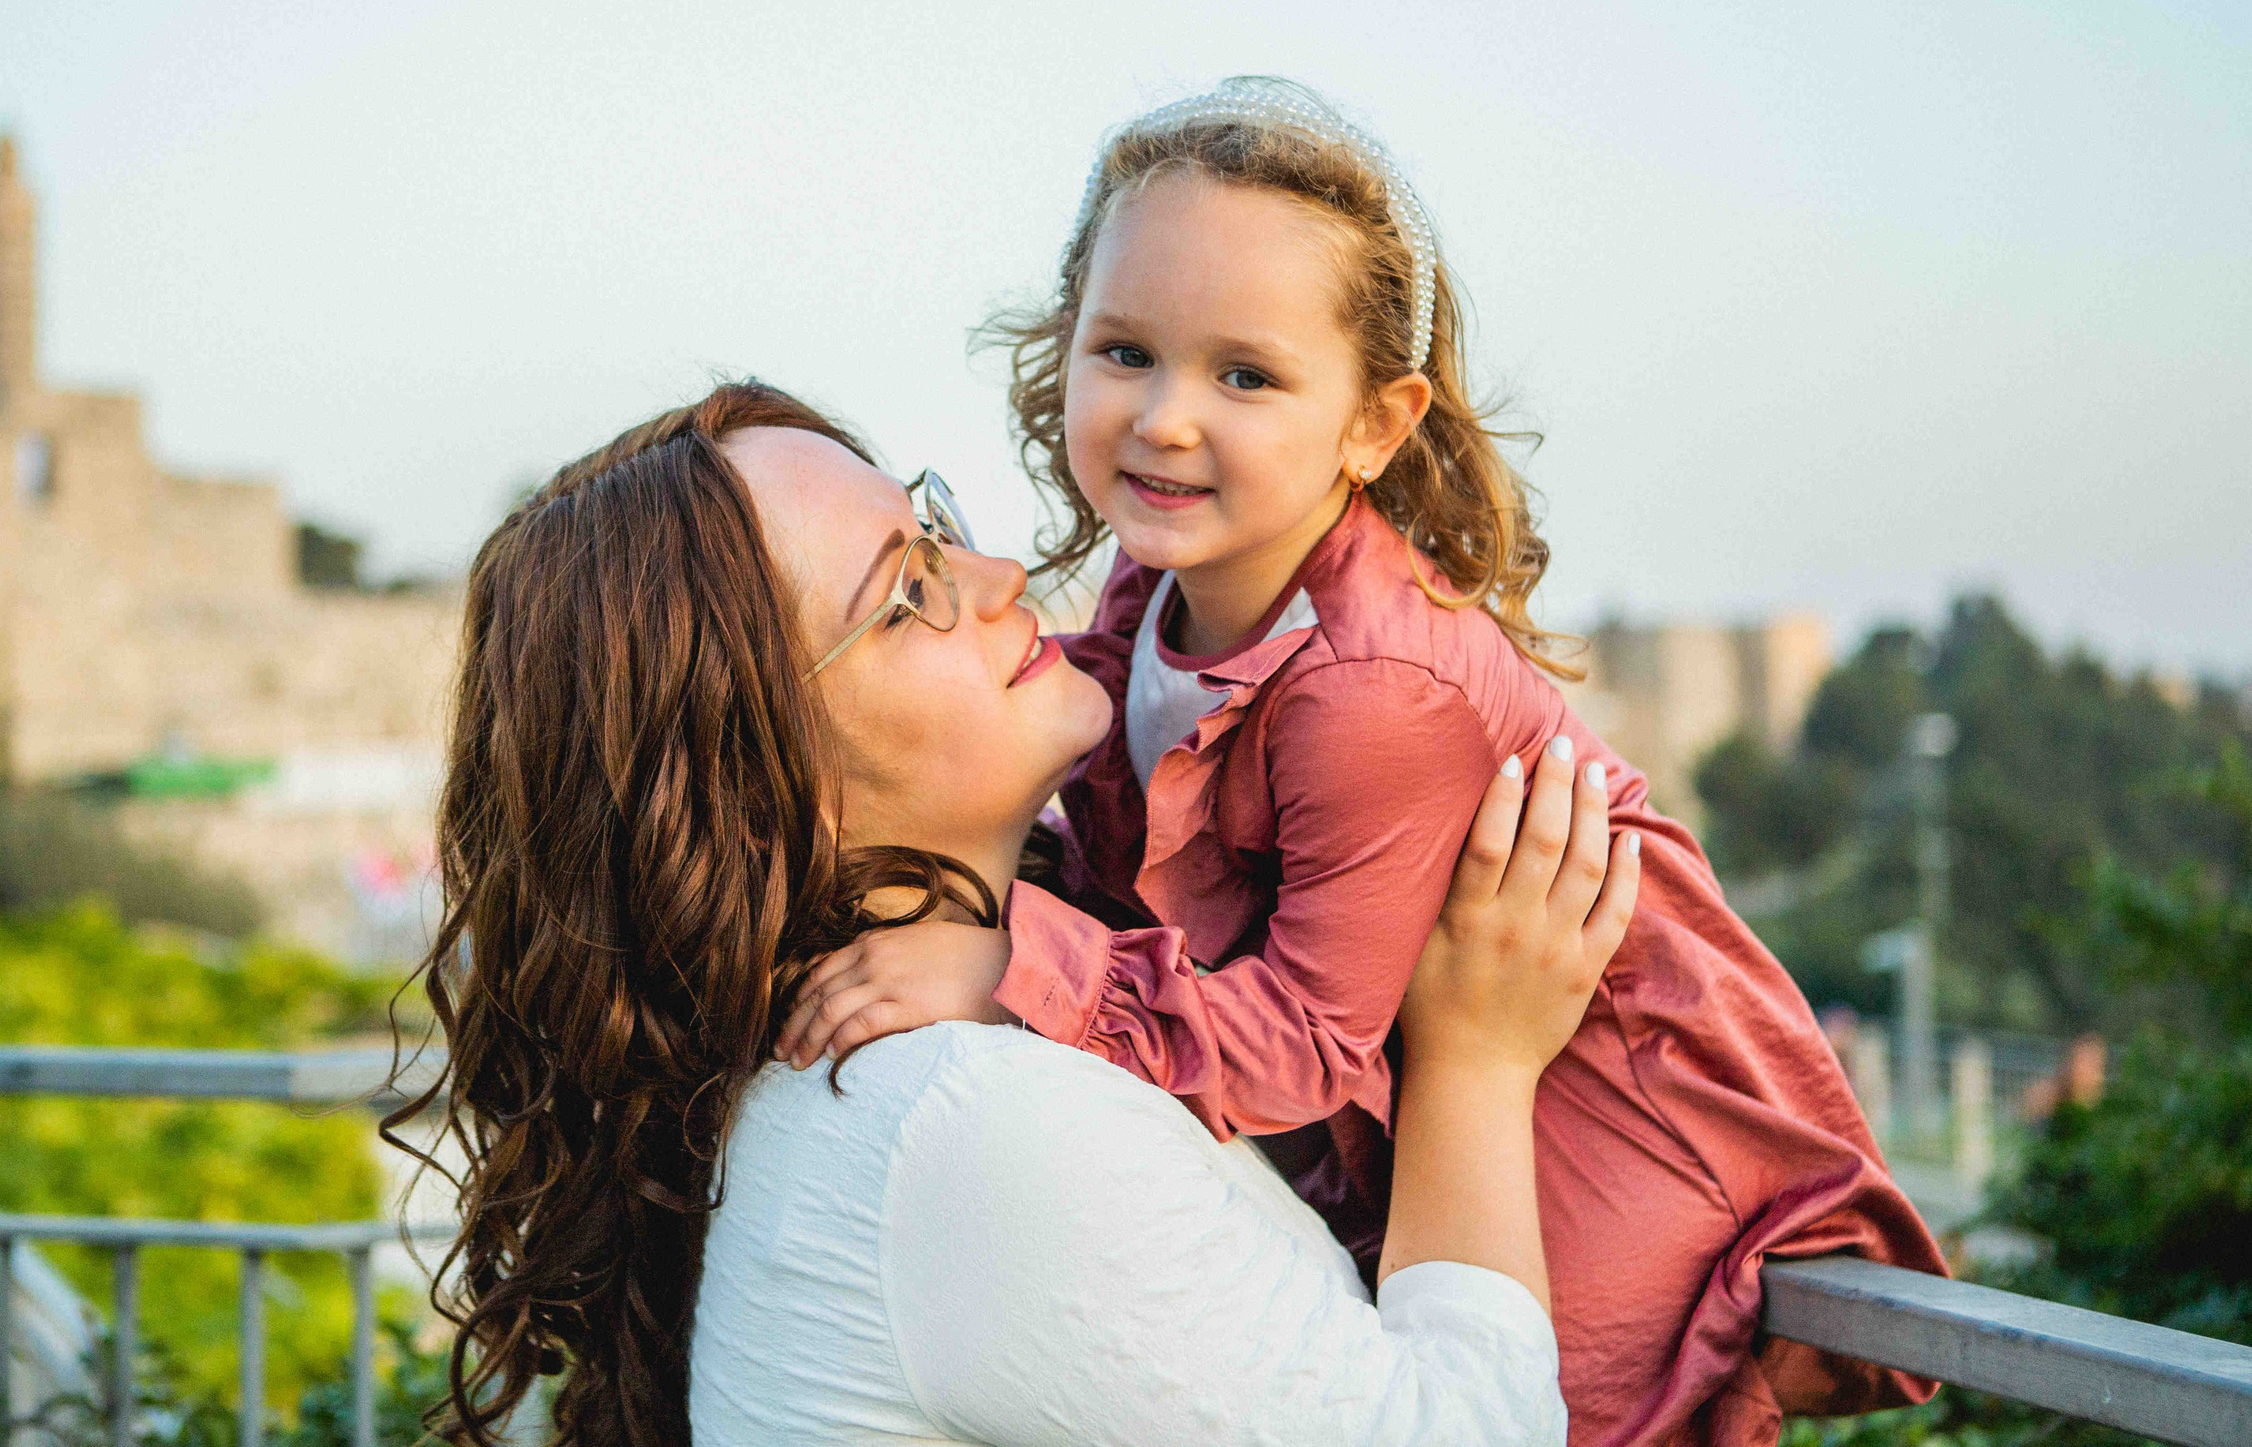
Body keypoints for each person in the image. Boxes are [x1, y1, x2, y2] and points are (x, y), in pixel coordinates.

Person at [777, 80, 1946, 1446]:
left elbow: (1311, 1038)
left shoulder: (1372, 688)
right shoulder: (1160, 573)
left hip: (1596, 1088)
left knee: (1575, 1399)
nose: (1164, 416)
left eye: (1246, 375)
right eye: (1126, 352)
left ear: (1375, 426)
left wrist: (1008, 962)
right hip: (1446, 1071)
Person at [388, 381, 1639, 1447]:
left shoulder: (906, 1068)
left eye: (935, 525)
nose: (997, 579)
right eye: (907, 594)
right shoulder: (959, 1123)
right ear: (754, 790)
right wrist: (1475, 1061)